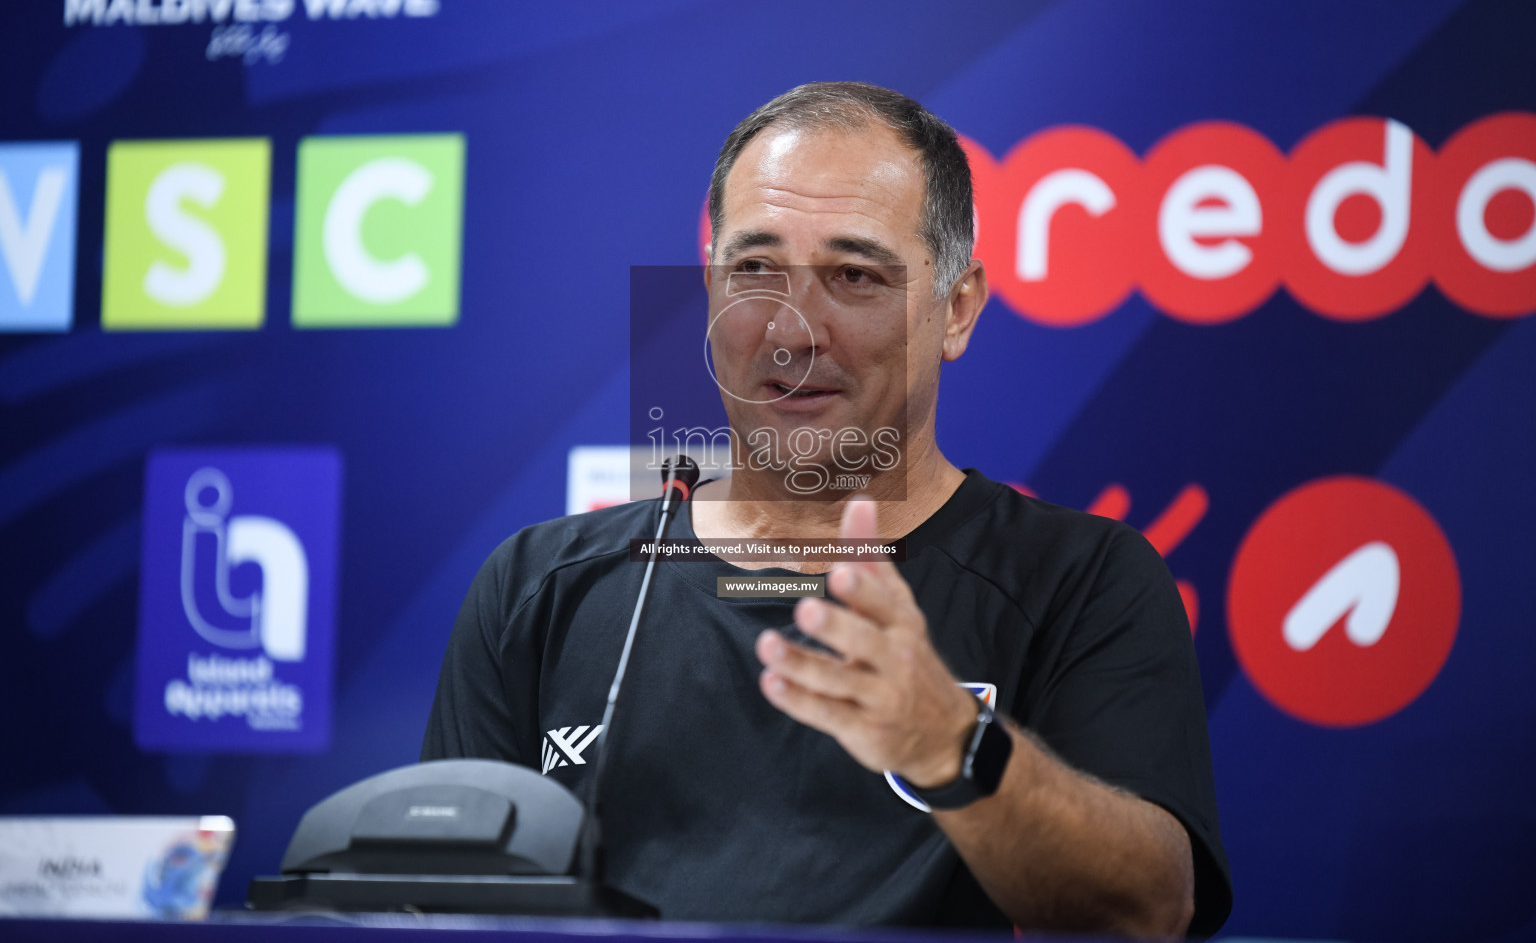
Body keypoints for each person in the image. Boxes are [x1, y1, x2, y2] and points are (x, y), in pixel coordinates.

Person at [423, 82, 1231, 936]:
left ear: (955, 310)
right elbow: (429, 905)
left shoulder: (1080, 581)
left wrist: (951, 746)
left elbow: (1149, 910)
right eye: (754, 269)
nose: (789, 330)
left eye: (854, 275)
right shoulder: (538, 586)